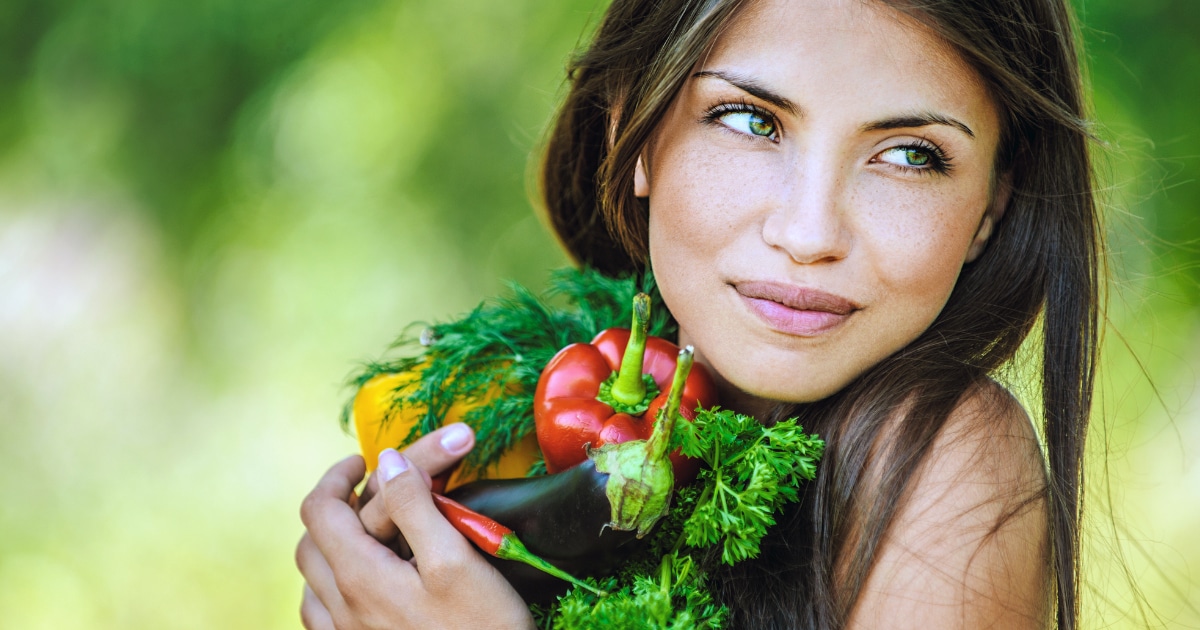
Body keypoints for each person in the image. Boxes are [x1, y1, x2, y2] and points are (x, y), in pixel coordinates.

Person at [295, 0, 1099, 627]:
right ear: (633, 134)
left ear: (991, 203)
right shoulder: (549, 406)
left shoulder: (942, 451)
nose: (809, 233)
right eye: (752, 120)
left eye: (909, 154)